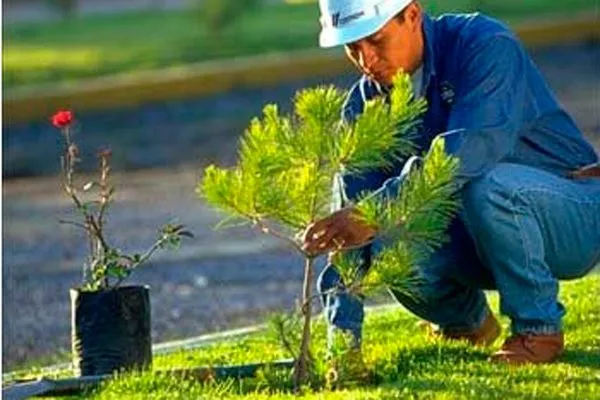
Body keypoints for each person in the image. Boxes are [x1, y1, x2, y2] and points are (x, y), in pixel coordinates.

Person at [303, 0, 600, 365]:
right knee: (388, 241)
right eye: (352, 48)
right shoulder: (363, 107)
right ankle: (467, 324)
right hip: (483, 237)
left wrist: (374, 211)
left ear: (412, 14)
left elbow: (468, 151)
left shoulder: (484, 44)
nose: (366, 61)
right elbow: (351, 232)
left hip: (572, 213)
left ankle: (538, 330)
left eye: (376, 41)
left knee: (485, 185)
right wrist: (344, 349)